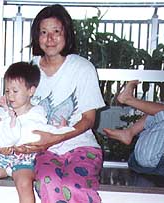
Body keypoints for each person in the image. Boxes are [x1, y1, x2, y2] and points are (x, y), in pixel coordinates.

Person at [14, 4, 105, 203]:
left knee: (73, 185)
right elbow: (15, 108)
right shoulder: (29, 69)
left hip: (82, 147)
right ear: (37, 37)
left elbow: (89, 120)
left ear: (67, 34)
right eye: (44, 32)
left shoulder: (83, 68)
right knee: (48, 182)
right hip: (43, 151)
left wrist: (53, 139)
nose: (50, 39)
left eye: (56, 32)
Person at [0, 61, 74, 203]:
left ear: (30, 91)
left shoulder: (37, 112)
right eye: (7, 91)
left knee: (24, 184)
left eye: (15, 91)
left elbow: (46, 131)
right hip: (0, 158)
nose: (10, 96)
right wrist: (0, 147)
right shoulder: (1, 112)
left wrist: (60, 128)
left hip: (25, 159)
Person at [103, 80, 164, 176]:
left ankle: (129, 100)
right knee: (161, 108)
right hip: (145, 161)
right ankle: (129, 132)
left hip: (152, 161)